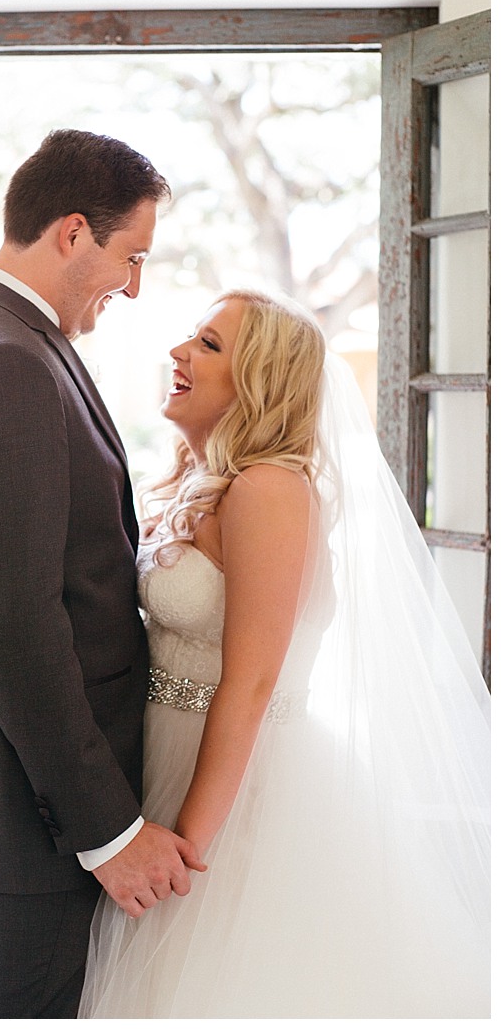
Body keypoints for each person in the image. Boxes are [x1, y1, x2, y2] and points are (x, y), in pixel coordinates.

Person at [80, 290, 490, 1017]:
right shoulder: (196, 481)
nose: (179, 352)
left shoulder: (270, 490)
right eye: (189, 338)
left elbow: (254, 680)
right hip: (161, 763)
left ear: (259, 381)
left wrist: (188, 853)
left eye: (208, 345)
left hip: (236, 794)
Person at [0, 129, 204, 1019]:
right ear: (74, 232)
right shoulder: (7, 361)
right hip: (27, 821)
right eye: (131, 256)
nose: (135, 285)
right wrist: (108, 833)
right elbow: (18, 627)